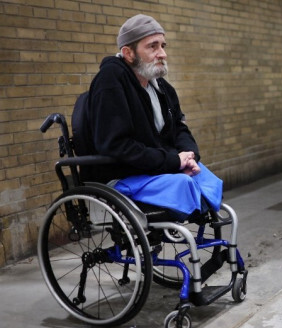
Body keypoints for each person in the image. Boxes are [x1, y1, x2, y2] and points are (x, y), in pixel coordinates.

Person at [80, 14, 222, 218]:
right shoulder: (110, 80)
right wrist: (174, 162)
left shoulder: (162, 87)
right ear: (128, 53)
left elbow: (179, 129)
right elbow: (115, 145)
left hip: (156, 170)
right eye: (152, 47)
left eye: (163, 45)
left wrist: (189, 156)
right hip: (123, 176)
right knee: (184, 184)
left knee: (207, 178)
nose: (162, 53)